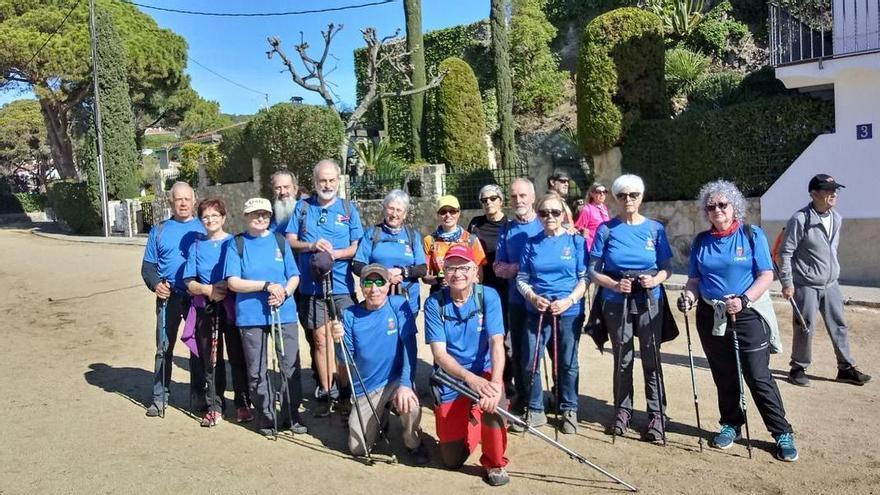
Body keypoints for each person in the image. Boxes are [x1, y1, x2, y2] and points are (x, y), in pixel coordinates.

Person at [679, 179, 798, 462]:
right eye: (711, 206)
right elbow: (694, 280)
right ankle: (731, 423)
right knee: (724, 373)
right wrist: (688, 296)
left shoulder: (751, 234)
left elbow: (766, 275)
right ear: (706, 212)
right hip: (711, 314)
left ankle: (782, 432)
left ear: (735, 207)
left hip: (746, 314)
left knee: (757, 375)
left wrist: (744, 299)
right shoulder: (700, 241)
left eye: (723, 204)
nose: (717, 210)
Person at [589, 175, 673, 443]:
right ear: (615, 198)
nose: (628, 200)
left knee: (651, 358)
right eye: (623, 195)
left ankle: (657, 414)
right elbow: (592, 270)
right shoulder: (606, 229)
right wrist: (613, 285)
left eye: (634, 195)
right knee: (623, 357)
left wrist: (655, 279)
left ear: (641, 196)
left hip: (650, 299)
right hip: (617, 301)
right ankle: (623, 411)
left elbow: (666, 268)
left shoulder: (655, 229)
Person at [425, 245, 509, 486]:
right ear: (443, 271)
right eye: (451, 268)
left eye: (464, 267)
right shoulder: (434, 303)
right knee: (452, 460)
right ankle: (473, 417)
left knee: (494, 405)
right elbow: (440, 355)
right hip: (452, 377)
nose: (457, 273)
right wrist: (471, 380)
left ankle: (494, 462)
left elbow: (496, 343)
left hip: (484, 371)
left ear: (475, 271)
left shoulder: (488, 296)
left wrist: (494, 383)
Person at [285, 159, 364, 416]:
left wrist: (335, 254)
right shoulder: (302, 208)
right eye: (322, 181)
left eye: (331, 180)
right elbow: (291, 241)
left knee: (342, 340)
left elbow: (356, 247)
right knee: (320, 340)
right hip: (311, 287)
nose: (327, 185)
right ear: (315, 182)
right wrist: (311, 247)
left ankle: (345, 390)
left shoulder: (349, 209)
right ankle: (327, 389)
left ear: (338, 181)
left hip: (342, 286)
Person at [331, 264, 428, 464]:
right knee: (358, 449)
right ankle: (380, 418)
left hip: (395, 381)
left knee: (410, 404)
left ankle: (413, 443)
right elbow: (346, 360)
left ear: (387, 285)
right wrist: (337, 341)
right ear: (361, 286)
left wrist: (406, 384)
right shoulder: (350, 315)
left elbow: (410, 348)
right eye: (368, 283)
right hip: (366, 388)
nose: (374, 289)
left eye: (379, 283)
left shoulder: (399, 305)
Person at [225, 197, 306, 437]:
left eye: (265, 214)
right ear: (246, 216)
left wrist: (284, 293)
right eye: (255, 214)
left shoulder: (280, 241)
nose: (260, 218)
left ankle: (292, 415)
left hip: (284, 312)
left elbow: (293, 275)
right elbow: (233, 282)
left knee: (289, 364)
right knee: (257, 369)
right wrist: (266, 285)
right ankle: (265, 417)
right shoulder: (237, 244)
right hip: (251, 316)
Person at [780, 174, 871, 387]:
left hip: (831, 284)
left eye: (835, 190)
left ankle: (846, 368)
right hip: (806, 284)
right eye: (828, 190)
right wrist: (787, 282)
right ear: (813, 194)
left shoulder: (836, 217)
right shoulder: (800, 219)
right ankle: (798, 368)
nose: (833, 194)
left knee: (839, 325)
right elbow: (785, 252)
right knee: (805, 326)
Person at [513, 192, 588, 434]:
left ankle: (568, 408)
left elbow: (585, 278)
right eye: (544, 213)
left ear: (564, 214)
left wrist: (569, 300)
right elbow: (522, 278)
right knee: (530, 361)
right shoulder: (531, 243)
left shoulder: (575, 242)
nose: (549, 217)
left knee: (567, 361)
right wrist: (533, 297)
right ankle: (535, 409)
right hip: (537, 310)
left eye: (555, 212)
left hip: (569, 310)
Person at [183, 198, 252, 426]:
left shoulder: (236, 243)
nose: (210, 220)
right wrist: (207, 289)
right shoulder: (196, 246)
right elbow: (189, 281)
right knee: (211, 360)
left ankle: (243, 403)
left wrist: (226, 286)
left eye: (215, 215)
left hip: (233, 308)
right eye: (206, 216)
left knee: (238, 356)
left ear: (223, 218)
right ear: (201, 220)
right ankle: (215, 405)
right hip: (207, 309)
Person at [141, 181, 206, 417]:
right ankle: (159, 397)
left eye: (187, 198)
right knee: (163, 348)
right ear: (171, 202)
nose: (183, 203)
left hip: (195, 298)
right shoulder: (159, 230)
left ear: (194, 201)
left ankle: (198, 396)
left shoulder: (204, 229)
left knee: (197, 348)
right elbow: (148, 267)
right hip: (168, 298)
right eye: (178, 199)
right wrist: (156, 284)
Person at [494, 178, 544, 412]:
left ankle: (560, 404)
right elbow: (498, 267)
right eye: (514, 196)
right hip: (517, 301)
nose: (518, 200)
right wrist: (524, 268)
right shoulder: (507, 228)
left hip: (547, 302)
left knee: (553, 356)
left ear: (532, 197)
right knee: (522, 353)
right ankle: (525, 398)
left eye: (523, 195)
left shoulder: (546, 222)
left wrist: (519, 268)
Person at [353, 189, 427, 316]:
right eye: (391, 208)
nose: (394, 214)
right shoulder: (372, 234)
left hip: (408, 302)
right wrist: (383, 274)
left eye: (399, 210)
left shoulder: (413, 236)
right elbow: (357, 265)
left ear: (405, 214)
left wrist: (402, 271)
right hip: (378, 298)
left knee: (406, 336)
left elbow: (422, 269)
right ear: (384, 209)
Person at [423, 195, 486, 293]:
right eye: (443, 212)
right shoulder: (430, 241)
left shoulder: (470, 240)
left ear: (459, 213)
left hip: (466, 295)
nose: (448, 215)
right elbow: (425, 277)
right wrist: (440, 280)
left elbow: (479, 277)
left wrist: (459, 281)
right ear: (438, 215)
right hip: (440, 295)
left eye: (452, 211)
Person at [467, 185, 508, 306]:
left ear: (501, 201)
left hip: (504, 283)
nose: (488, 202)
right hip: (481, 282)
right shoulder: (476, 224)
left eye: (493, 198)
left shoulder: (509, 225)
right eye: (484, 200)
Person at [575, 182, 611, 250]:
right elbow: (578, 227)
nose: (602, 194)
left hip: (605, 246)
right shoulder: (587, 209)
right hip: (592, 248)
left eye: (604, 191)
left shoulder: (604, 208)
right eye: (598, 192)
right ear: (592, 194)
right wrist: (583, 231)